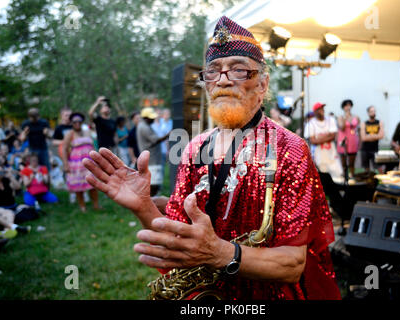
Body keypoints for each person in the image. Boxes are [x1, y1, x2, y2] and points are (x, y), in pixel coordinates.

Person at [83, 16, 340, 300]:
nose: (224, 79)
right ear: (206, 84)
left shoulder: (290, 148)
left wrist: (220, 253)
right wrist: (143, 206)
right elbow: (177, 250)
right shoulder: (193, 149)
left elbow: (292, 264)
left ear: (263, 85)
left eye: (239, 70)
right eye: (213, 71)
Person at [62, 113, 99, 212]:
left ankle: (96, 205)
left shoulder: (87, 131)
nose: (77, 123)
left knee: (93, 184)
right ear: (72, 123)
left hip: (89, 162)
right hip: (76, 164)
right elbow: (64, 149)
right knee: (79, 187)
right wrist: (65, 164)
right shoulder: (70, 134)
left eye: (79, 121)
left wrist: (97, 158)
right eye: (74, 122)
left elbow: (93, 145)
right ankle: (83, 207)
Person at [304, 102, 343, 180]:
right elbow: (313, 141)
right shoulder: (310, 124)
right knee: (322, 176)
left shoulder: (330, 120)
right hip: (319, 155)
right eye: (319, 109)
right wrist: (327, 135)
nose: (322, 110)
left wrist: (319, 138)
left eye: (322, 108)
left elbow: (333, 136)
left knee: (337, 174)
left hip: (331, 153)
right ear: (315, 112)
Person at [136, 107, 169, 196]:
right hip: (152, 160)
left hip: (153, 159)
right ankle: (152, 201)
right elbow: (155, 140)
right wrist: (168, 135)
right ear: (146, 118)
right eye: (151, 118)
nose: (153, 119)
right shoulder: (144, 127)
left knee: (154, 183)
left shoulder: (144, 125)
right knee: (153, 184)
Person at [337, 99, 360, 178]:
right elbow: (342, 127)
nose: (348, 107)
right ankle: (344, 176)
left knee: (352, 162)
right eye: (346, 105)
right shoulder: (340, 117)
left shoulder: (356, 117)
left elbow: (358, 129)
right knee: (344, 163)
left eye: (349, 105)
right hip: (344, 141)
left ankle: (352, 176)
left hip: (353, 140)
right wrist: (345, 118)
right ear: (343, 107)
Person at [360, 106, 384, 172]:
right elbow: (363, 138)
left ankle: (383, 181)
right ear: (368, 113)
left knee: (379, 167)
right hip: (365, 149)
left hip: (375, 149)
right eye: (371, 111)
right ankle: (368, 181)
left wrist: (369, 135)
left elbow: (381, 135)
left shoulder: (379, 122)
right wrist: (376, 136)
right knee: (366, 169)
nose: (373, 113)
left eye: (374, 111)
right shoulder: (364, 123)